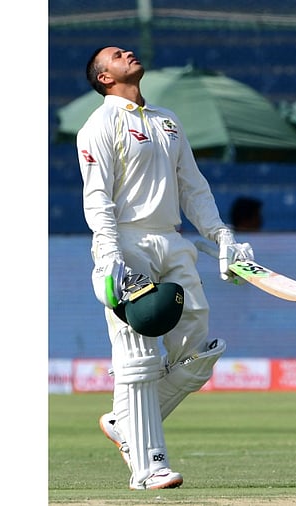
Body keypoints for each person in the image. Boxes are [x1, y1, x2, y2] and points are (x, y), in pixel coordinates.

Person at [76, 46, 255, 491]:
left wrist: (221, 235)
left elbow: (193, 186)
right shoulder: (99, 125)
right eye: (116, 55)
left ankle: (124, 422)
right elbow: (97, 196)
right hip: (125, 242)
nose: (128, 53)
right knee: (136, 359)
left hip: (173, 240)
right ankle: (148, 467)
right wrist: (109, 254)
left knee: (199, 354)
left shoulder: (165, 120)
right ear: (104, 77)